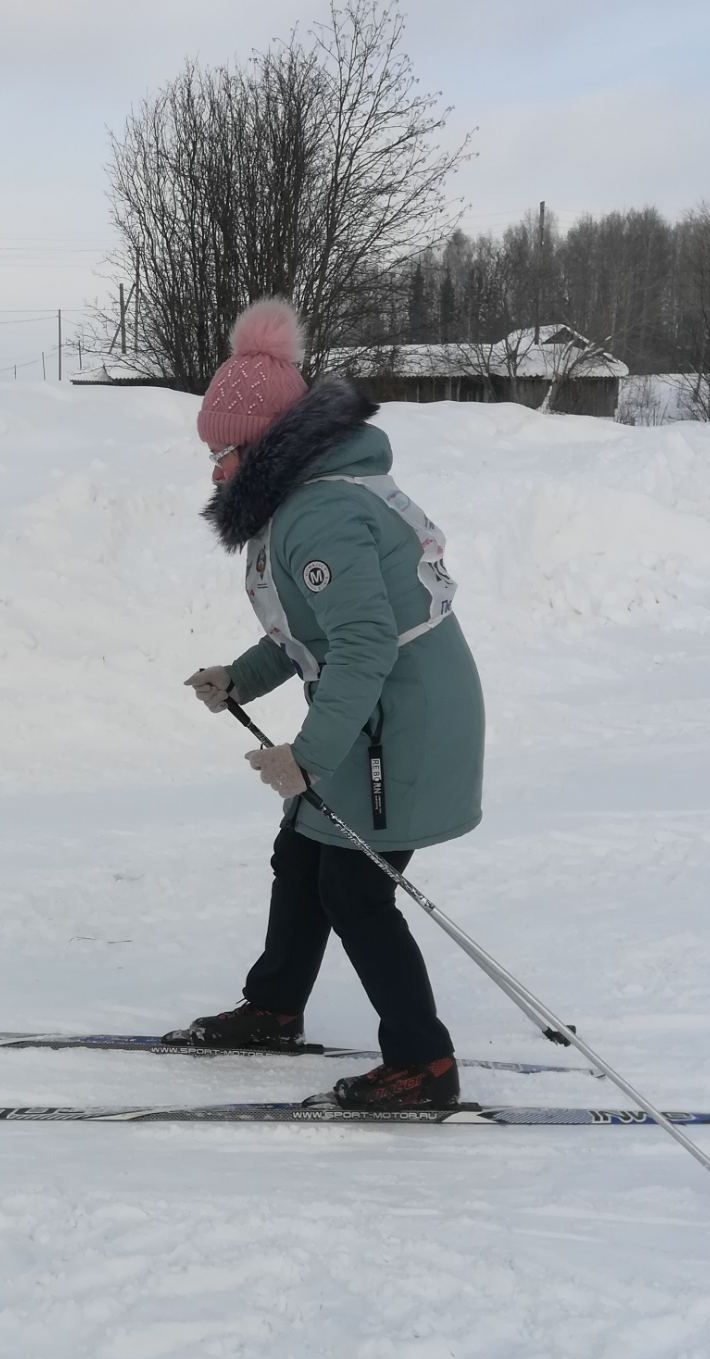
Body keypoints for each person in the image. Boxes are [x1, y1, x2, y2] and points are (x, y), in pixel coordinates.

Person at [173, 298, 485, 1110]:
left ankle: (425, 1065)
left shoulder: (324, 513)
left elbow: (364, 646)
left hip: (402, 728)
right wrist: (239, 677)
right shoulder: (305, 501)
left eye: (228, 450)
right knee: (302, 857)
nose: (216, 469)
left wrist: (306, 755)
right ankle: (275, 1006)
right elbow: (306, 633)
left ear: (273, 446)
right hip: (374, 714)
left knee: (354, 889)